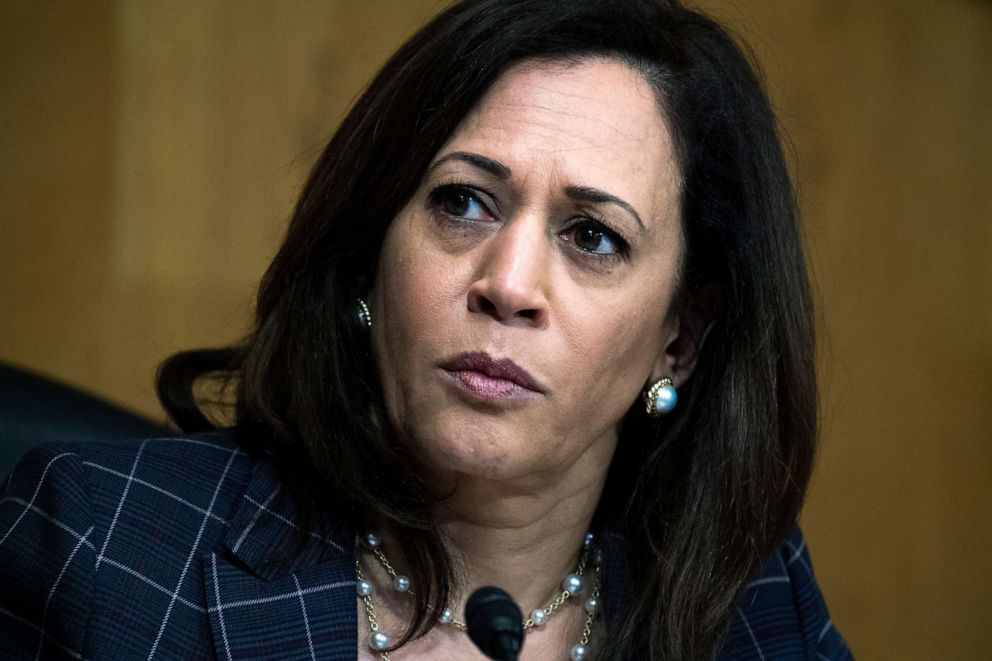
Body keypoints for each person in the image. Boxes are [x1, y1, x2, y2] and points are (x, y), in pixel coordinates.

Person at [0, 0, 853, 659]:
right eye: (463, 202)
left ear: (681, 338)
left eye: (593, 236)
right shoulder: (101, 551)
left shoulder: (750, 601)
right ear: (372, 248)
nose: (508, 284)